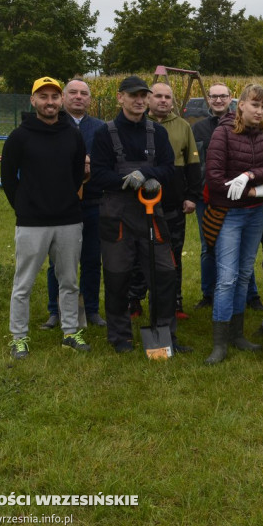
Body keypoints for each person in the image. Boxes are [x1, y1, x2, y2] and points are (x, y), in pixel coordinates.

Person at [90, 75, 182, 354]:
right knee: (118, 277)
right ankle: (120, 337)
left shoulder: (157, 132)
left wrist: (150, 175)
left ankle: (165, 335)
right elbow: (98, 175)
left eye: (144, 95)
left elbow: (169, 168)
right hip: (117, 215)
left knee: (165, 275)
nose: (140, 100)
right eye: (133, 96)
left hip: (153, 214)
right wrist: (125, 182)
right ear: (120, 98)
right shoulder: (104, 133)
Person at [2, 77, 89, 358]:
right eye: (43, 97)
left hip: (68, 219)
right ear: (33, 101)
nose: (49, 102)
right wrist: (24, 206)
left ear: (61, 100)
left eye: (54, 96)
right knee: (23, 283)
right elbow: (7, 177)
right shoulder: (19, 136)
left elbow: (78, 172)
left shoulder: (72, 134)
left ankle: (70, 333)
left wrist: (66, 199)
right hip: (31, 222)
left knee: (69, 281)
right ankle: (18, 338)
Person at [202, 84, 263, 364]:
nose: (260, 111)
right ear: (242, 105)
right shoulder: (222, 133)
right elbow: (213, 178)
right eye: (255, 105)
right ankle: (220, 343)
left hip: (254, 215)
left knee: (245, 274)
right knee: (226, 278)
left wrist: (249, 174)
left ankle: (237, 334)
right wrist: (252, 190)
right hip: (229, 214)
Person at [41, 78, 106, 330]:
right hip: (61, 205)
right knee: (58, 261)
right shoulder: (52, 124)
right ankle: (55, 311)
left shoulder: (101, 128)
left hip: (93, 202)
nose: (79, 97)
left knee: (91, 259)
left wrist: (92, 165)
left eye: (84, 93)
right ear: (63, 98)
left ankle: (91, 309)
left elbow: (107, 163)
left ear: (90, 99)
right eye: (73, 93)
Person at [192, 83, 261, 312]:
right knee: (208, 246)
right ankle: (209, 293)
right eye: (214, 96)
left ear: (231, 99)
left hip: (239, 199)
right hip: (207, 196)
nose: (219, 100)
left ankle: (251, 295)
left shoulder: (244, 125)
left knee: (242, 251)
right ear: (208, 99)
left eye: (223, 96)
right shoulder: (200, 128)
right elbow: (196, 164)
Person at [143, 82, 202, 322]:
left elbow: (193, 165)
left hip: (173, 203)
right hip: (142, 202)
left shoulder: (183, 126)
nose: (163, 101)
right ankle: (135, 300)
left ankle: (175, 302)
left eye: (168, 97)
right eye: (158, 96)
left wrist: (191, 196)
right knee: (140, 254)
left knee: (173, 253)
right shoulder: (140, 125)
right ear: (148, 99)